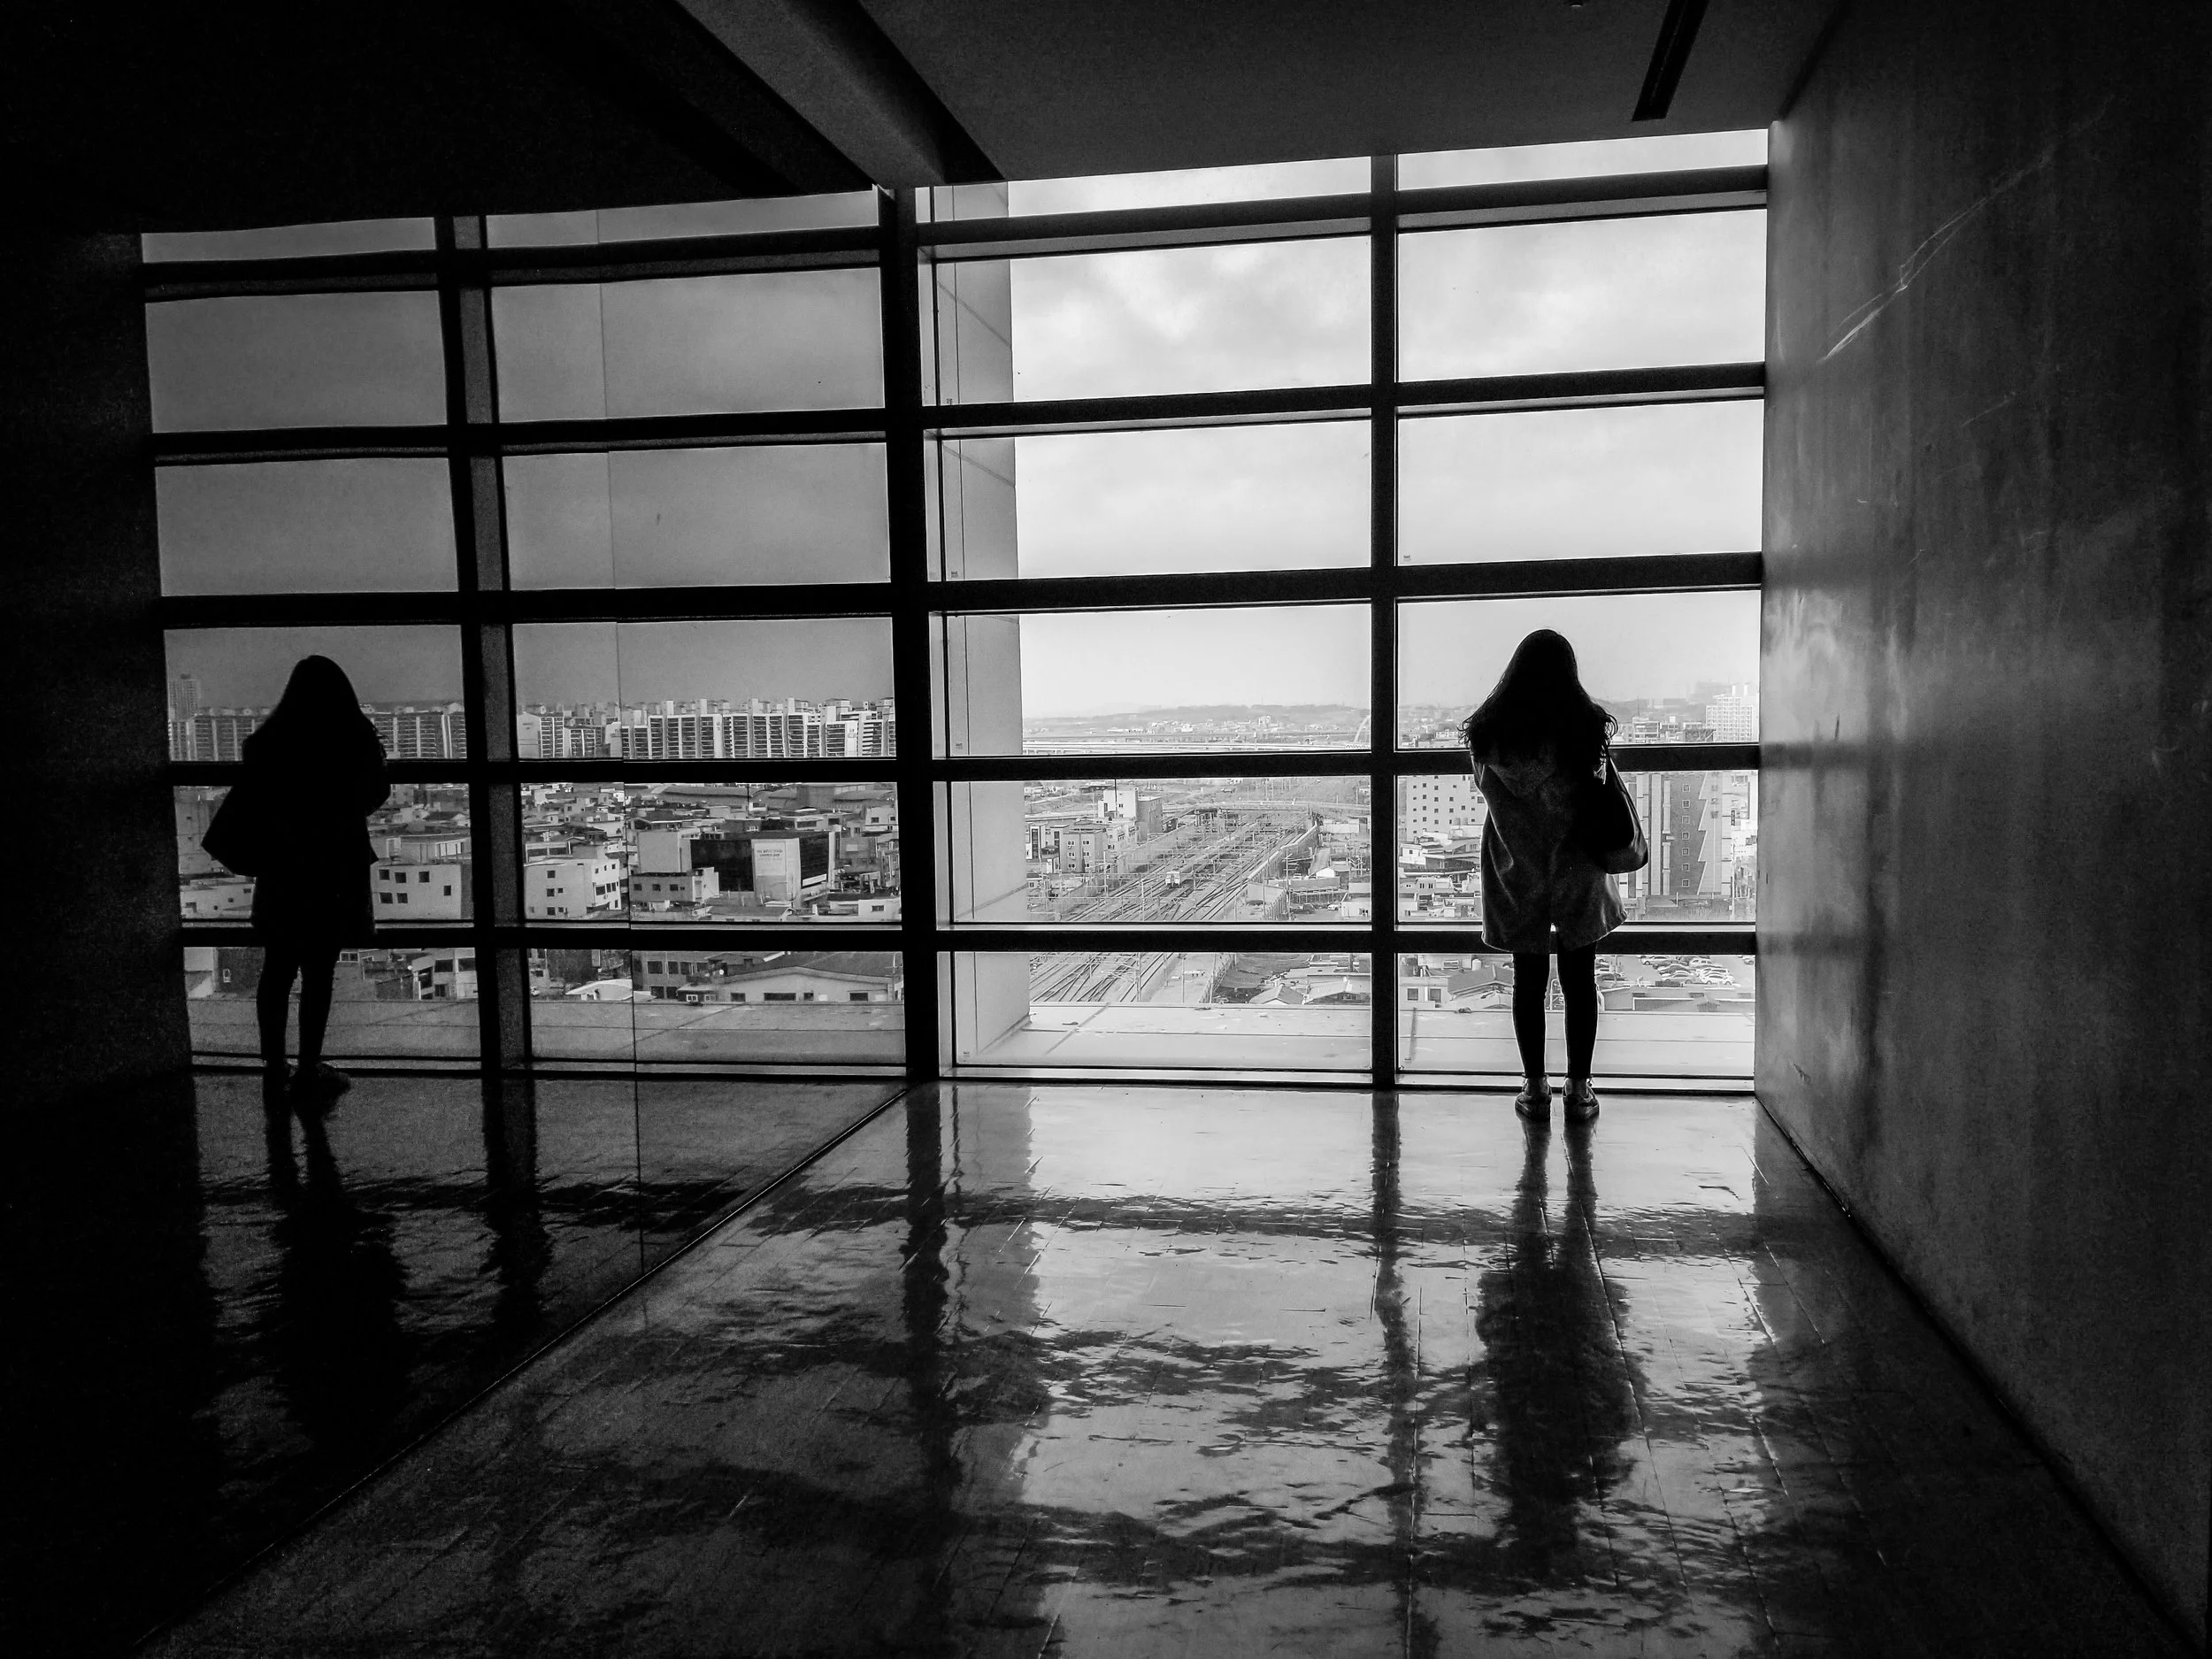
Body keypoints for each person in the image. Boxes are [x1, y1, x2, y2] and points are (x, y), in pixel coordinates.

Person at [1461, 629, 1622, 1124]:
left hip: (1517, 867)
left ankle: (1534, 1087)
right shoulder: (1585, 732)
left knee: (1527, 982)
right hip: (1577, 867)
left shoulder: (1489, 737)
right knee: (1580, 980)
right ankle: (1580, 1088)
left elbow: (1488, 791)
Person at [245, 656, 388, 1102]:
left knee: (277, 969)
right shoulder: (351, 736)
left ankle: (273, 1065)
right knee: (319, 970)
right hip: (332, 865)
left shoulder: (270, 740)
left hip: (282, 864)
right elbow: (376, 790)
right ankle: (309, 1066)